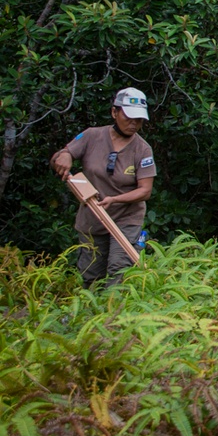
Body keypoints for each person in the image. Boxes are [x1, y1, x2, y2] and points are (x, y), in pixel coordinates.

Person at [50, 87, 157, 287]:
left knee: (119, 272)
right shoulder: (92, 136)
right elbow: (63, 155)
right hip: (92, 217)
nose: (134, 124)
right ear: (114, 112)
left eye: (139, 120)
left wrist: (114, 200)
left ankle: (115, 315)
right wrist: (63, 156)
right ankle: (92, 316)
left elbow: (145, 191)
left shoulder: (142, 149)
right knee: (90, 277)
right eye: (129, 117)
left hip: (126, 219)